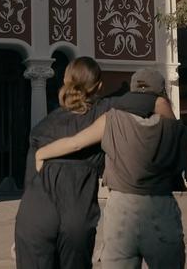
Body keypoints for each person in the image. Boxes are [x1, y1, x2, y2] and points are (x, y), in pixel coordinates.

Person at [35, 69, 187, 269]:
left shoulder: (112, 118)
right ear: (161, 92)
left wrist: (41, 153)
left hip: (121, 208)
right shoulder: (171, 126)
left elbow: (75, 144)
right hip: (160, 205)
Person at [14, 58, 158, 269]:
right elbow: (149, 102)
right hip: (76, 211)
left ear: (64, 80)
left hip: (33, 215)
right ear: (99, 86)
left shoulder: (42, 127)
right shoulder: (105, 110)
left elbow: (30, 182)